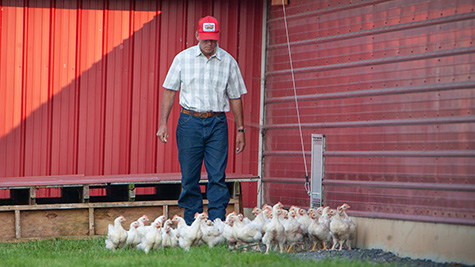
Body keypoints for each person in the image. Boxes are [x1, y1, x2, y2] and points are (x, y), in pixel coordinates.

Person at [156, 16, 247, 225]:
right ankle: (192, 222)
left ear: (218, 37)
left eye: (213, 39)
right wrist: (163, 122)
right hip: (189, 121)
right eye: (205, 39)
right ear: (197, 36)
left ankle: (216, 222)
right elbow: (170, 91)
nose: (209, 43)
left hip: (217, 122)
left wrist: (240, 130)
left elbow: (235, 97)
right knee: (189, 176)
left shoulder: (228, 62)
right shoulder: (182, 59)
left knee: (217, 175)